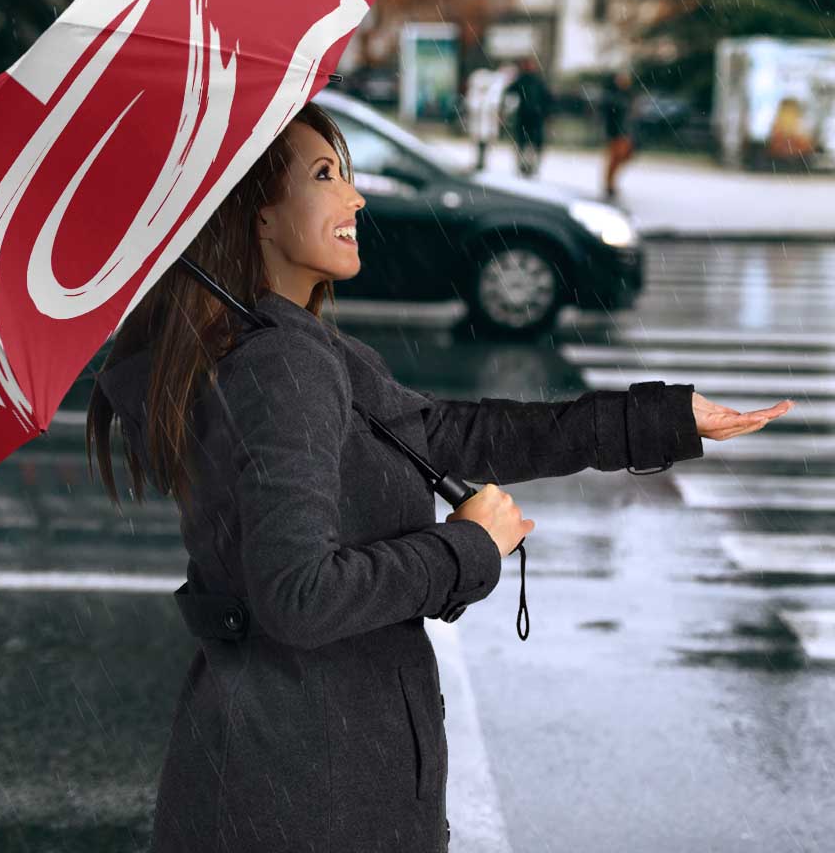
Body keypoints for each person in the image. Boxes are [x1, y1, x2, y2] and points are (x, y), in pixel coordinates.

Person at [86, 100, 790, 853]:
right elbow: (298, 596)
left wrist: (661, 420)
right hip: (309, 791)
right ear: (256, 215)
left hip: (290, 771)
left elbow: (451, 434)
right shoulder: (280, 365)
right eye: (325, 175)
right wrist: (466, 548)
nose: (355, 197)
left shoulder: (288, 346)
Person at [503, 55, 553, 178]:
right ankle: (524, 166)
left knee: (531, 144)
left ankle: (530, 166)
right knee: (524, 143)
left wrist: (546, 113)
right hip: (526, 117)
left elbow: (547, 99)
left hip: (534, 117)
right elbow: (509, 93)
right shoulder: (523, 80)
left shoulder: (536, 81)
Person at [601, 68, 637, 199]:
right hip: (616, 132)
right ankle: (609, 184)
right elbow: (610, 115)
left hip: (625, 132)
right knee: (615, 158)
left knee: (623, 157)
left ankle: (610, 183)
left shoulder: (628, 95)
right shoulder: (613, 96)